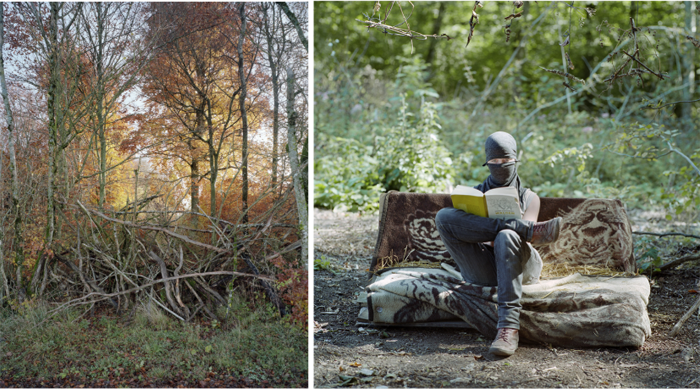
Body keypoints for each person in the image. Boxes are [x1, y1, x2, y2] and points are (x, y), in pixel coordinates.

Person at [435, 131, 562, 357]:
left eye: (506, 161)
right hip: (484, 267)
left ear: (515, 161)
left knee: (506, 236)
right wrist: (512, 226)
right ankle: (521, 225)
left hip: (521, 269)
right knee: (444, 217)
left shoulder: (530, 197)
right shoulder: (474, 195)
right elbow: (471, 236)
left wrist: (497, 230)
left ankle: (509, 327)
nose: (500, 165)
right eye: (494, 161)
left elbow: (523, 242)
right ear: (487, 163)